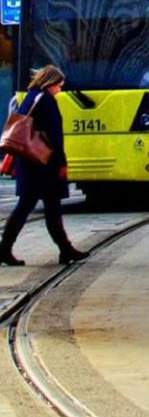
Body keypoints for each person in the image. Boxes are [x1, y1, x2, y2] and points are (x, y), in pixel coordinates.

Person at [0, 65, 88, 267]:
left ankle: (65, 249)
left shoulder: (32, 96)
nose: (60, 89)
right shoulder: (46, 101)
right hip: (42, 164)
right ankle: (4, 249)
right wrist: (61, 164)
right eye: (59, 85)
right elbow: (55, 137)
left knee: (48, 207)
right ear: (51, 83)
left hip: (31, 162)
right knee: (33, 207)